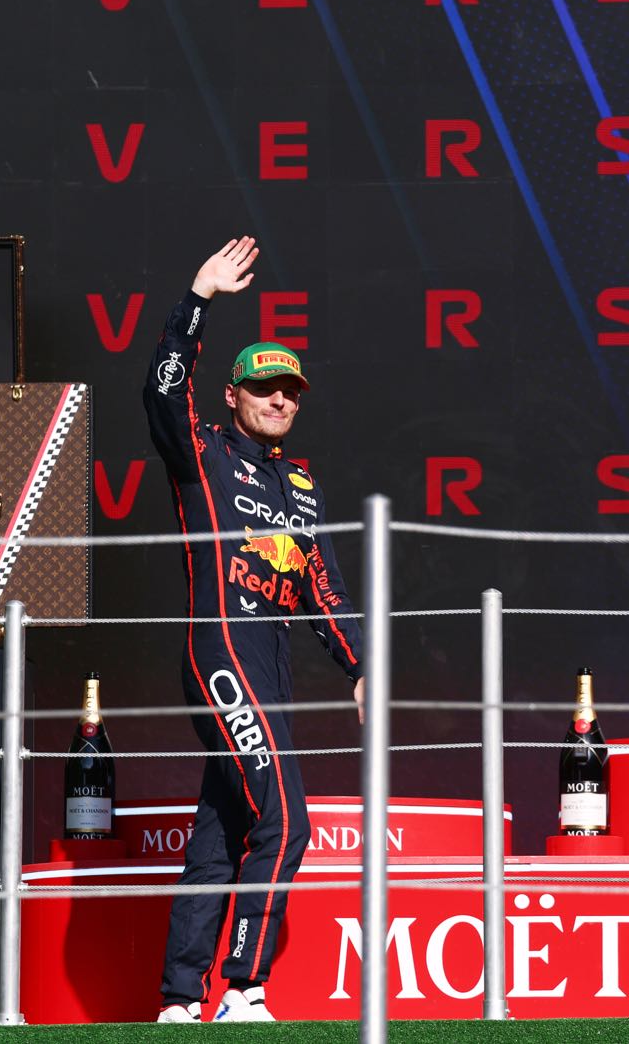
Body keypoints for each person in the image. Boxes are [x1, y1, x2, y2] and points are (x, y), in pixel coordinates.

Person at [143, 236, 365, 1024]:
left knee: (222, 832)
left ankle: (178, 1000)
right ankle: (244, 989)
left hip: (272, 671)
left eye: (290, 391)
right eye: (264, 388)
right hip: (222, 655)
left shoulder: (301, 483)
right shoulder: (203, 451)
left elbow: (323, 584)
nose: (278, 400)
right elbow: (163, 391)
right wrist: (196, 300)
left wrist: (359, 667)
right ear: (233, 395)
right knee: (286, 822)